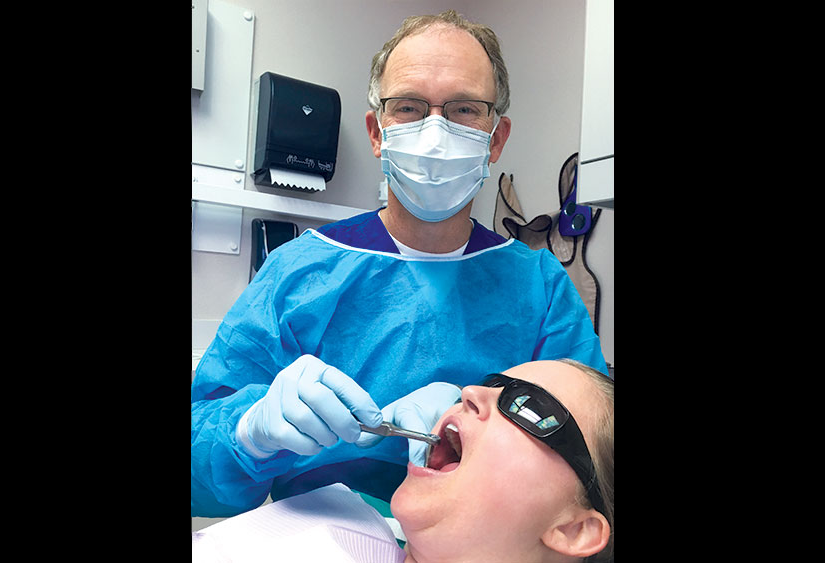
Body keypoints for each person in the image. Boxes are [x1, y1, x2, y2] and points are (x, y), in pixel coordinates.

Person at [191, 10, 607, 518]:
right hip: (315, 541)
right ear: (377, 133)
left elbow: (590, 458)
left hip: (481, 544)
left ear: (496, 139)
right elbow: (196, 467)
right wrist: (247, 433)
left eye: (465, 109)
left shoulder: (541, 290)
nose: (435, 132)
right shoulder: (296, 272)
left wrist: (479, 424)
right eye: (408, 107)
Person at [192, 359, 615, 563]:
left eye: (529, 406)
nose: (469, 392)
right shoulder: (334, 528)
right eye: (493, 383)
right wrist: (243, 435)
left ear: (575, 529)